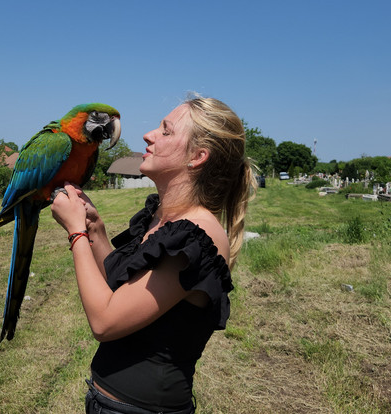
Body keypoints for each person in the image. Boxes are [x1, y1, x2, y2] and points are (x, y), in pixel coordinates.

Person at [51, 95, 254, 414]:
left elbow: (104, 321)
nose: (149, 135)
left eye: (166, 130)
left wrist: (75, 232)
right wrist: (95, 229)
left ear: (198, 156)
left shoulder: (196, 236)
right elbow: (120, 290)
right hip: (110, 403)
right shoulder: (162, 218)